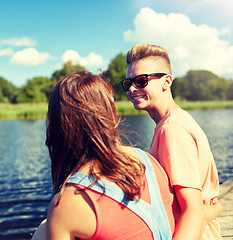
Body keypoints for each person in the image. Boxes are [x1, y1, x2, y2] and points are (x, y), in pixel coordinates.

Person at [32, 71, 178, 240]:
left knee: (41, 232)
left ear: (59, 126)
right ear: (109, 114)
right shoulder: (147, 160)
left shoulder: (66, 204)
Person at [123, 43, 223, 240]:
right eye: (128, 83)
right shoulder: (174, 122)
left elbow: (192, 211)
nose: (133, 89)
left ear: (166, 82)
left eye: (141, 81)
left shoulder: (172, 130)